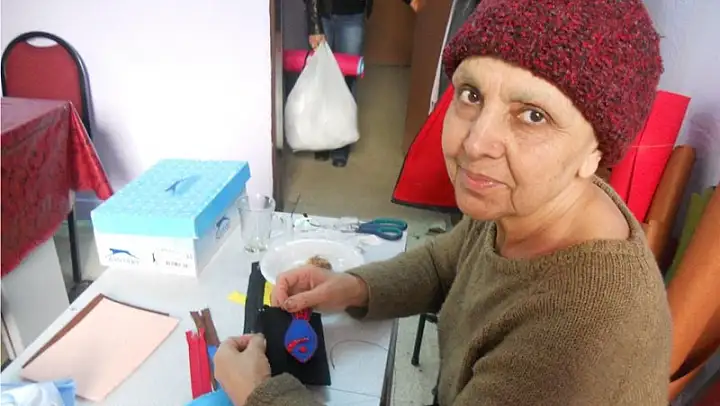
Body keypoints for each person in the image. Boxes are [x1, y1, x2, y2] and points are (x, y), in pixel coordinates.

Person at [214, 1, 672, 405]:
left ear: (597, 153)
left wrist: (259, 394)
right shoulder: (523, 205)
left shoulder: (579, 337)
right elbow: (442, 264)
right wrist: (351, 287)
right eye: (471, 94)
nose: (476, 143)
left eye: (533, 115)